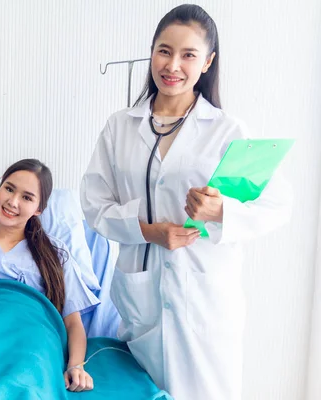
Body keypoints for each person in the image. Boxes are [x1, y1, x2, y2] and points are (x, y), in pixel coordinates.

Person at [80, 4, 291, 400]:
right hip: (142, 298)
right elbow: (93, 203)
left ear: (208, 62)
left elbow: (276, 205)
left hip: (205, 300)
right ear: (153, 51)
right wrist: (147, 232)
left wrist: (221, 211)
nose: (172, 64)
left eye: (188, 55)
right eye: (164, 50)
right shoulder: (120, 127)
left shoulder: (227, 130)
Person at [0, 158, 100, 392]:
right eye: (9, 188)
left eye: (26, 197)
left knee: (21, 382)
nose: (13, 202)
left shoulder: (56, 254)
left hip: (29, 340)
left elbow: (73, 323)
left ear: (38, 209)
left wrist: (76, 365)